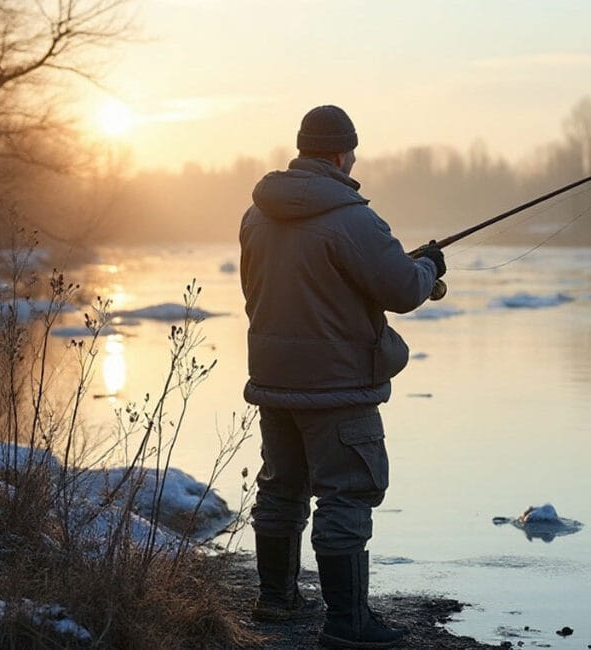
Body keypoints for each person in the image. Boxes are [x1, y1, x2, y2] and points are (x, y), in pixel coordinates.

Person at [239, 105, 446, 649]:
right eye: (351, 150)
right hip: (337, 387)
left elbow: (254, 292)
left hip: (274, 380)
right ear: (340, 152)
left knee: (281, 489)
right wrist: (429, 267)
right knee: (348, 492)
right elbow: (403, 289)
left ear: (302, 148)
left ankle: (276, 601)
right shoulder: (354, 219)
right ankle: (348, 623)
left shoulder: (256, 216)